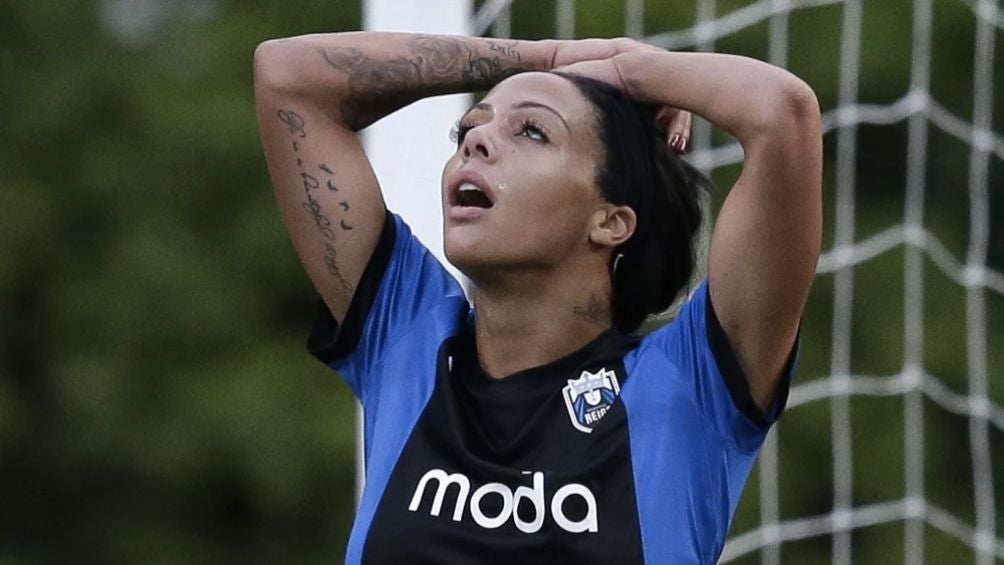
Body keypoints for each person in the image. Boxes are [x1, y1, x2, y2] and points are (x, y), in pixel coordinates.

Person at [254, 31, 821, 565]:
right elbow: (289, 76)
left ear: (611, 221)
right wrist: (551, 57)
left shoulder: (687, 386)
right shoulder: (407, 334)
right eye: (470, 130)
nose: (476, 140)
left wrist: (628, 66)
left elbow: (781, 110)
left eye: (531, 132)